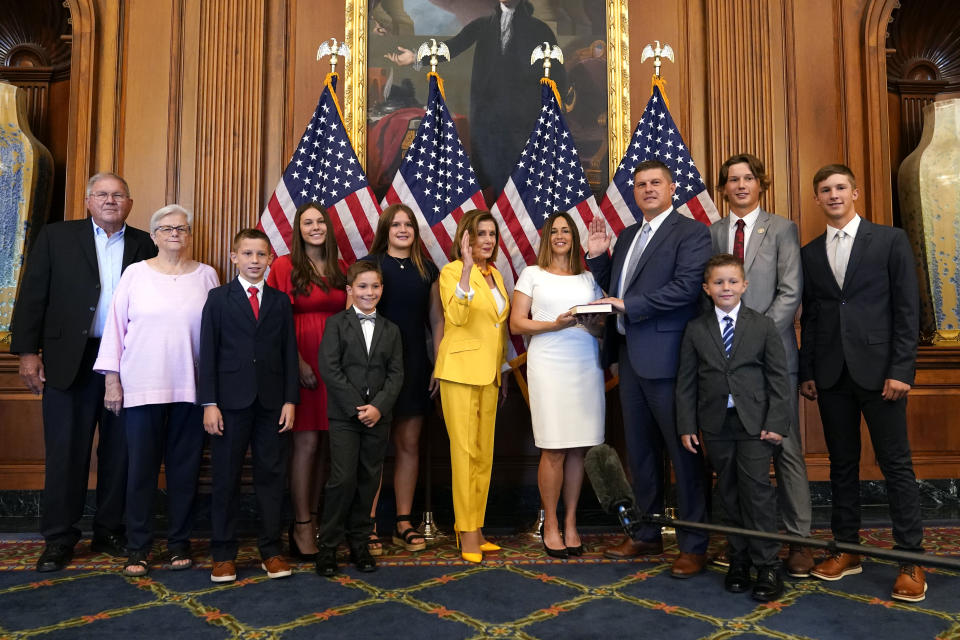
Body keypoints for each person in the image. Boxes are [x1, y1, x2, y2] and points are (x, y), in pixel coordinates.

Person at [10, 172, 157, 572]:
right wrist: (27, 352)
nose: (111, 201)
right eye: (102, 194)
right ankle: (59, 538)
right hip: (67, 360)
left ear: (129, 202)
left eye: (118, 195)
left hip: (127, 364)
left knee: (121, 453)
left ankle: (109, 530)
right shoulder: (56, 237)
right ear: (88, 200)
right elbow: (32, 294)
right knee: (66, 453)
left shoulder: (146, 243)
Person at [799, 164, 926, 602]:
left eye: (840, 188)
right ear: (817, 199)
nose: (833, 195)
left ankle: (911, 559)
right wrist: (808, 371)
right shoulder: (811, 252)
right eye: (825, 190)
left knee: (896, 467)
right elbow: (813, 316)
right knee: (842, 466)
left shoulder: (889, 240)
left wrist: (901, 370)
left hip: (882, 374)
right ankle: (847, 550)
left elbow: (908, 309)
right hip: (832, 375)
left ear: (856, 191)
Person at [586, 159, 713, 577]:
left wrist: (629, 306)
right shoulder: (625, 236)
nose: (648, 189)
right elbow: (617, 290)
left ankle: (694, 543)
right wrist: (599, 258)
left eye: (656, 182)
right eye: (640, 185)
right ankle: (647, 533)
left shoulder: (692, 233)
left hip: (672, 360)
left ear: (672, 188)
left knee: (683, 453)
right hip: (630, 359)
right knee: (640, 453)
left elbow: (686, 288)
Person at [92, 205, 219, 576]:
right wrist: (112, 381)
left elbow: (217, 335)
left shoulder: (208, 276)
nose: (175, 233)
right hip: (141, 387)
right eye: (166, 228)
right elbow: (115, 328)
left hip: (191, 390)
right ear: (153, 236)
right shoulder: (135, 274)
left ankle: (179, 543)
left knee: (185, 470)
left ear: (190, 234)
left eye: (181, 228)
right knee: (140, 471)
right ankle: (139, 547)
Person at [709, 153, 813, 577]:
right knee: (732, 453)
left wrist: (755, 342)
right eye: (732, 179)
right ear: (724, 187)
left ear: (760, 183)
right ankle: (740, 540)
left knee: (785, 448)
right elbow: (713, 292)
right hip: (726, 364)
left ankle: (798, 539)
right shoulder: (713, 232)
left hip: (773, 358)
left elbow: (791, 292)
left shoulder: (783, 229)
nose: (740, 185)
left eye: (747, 178)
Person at [677, 253, 793, 602]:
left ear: (744, 285)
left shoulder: (762, 325)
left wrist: (776, 423)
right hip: (715, 425)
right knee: (727, 492)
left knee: (756, 492)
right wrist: (687, 425)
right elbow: (686, 382)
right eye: (718, 282)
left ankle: (767, 564)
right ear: (707, 289)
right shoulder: (696, 329)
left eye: (732, 281)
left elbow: (778, 378)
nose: (725, 287)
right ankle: (738, 559)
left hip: (755, 425)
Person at [384, 0, 566, 195]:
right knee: (490, 174)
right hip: (488, 116)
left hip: (523, 118)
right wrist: (416, 57)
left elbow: (556, 74)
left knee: (522, 179)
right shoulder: (483, 25)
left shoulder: (539, 30)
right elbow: (452, 46)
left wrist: (552, 111)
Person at [199, 229, 299, 583]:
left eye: (261, 254)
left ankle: (271, 551)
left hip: (272, 404)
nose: (254, 261)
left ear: (271, 258)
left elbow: (289, 354)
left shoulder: (280, 301)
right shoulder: (218, 298)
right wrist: (209, 403)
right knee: (225, 477)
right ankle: (223, 554)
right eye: (247, 254)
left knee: (271, 477)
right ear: (234, 257)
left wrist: (290, 399)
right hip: (229, 403)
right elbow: (207, 354)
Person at [510, 211, 605, 559]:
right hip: (549, 362)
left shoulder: (588, 278)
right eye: (554, 231)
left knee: (579, 447)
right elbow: (517, 324)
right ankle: (549, 523)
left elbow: (599, 327)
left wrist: (594, 323)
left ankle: (571, 522)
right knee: (553, 447)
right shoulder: (531, 274)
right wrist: (556, 324)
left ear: (575, 237)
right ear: (546, 238)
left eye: (566, 231)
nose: (560, 236)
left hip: (585, 363)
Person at [266, 202, 348, 560]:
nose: (315, 227)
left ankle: (314, 520)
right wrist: (297, 362)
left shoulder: (342, 268)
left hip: (336, 363)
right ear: (298, 230)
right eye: (307, 223)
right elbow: (274, 320)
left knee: (328, 445)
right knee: (307, 444)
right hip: (299, 360)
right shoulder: (284, 266)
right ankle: (300, 524)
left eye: (320, 222)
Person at [360, 203, 443, 554]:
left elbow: (436, 320)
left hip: (415, 364)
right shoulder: (370, 265)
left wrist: (438, 363)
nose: (403, 229)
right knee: (374, 448)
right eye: (396, 224)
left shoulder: (427, 268)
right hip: (376, 365)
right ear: (385, 229)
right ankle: (368, 523)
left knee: (409, 444)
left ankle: (403, 522)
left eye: (408, 224)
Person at [315, 261, 404, 576]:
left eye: (375, 286)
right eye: (363, 287)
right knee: (342, 479)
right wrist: (358, 407)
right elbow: (330, 368)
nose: (369, 292)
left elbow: (396, 375)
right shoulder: (336, 324)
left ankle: (360, 543)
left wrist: (378, 407)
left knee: (369, 479)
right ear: (350, 290)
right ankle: (327, 547)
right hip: (345, 417)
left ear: (381, 289)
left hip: (379, 417)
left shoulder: (391, 330)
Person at [434, 210, 510, 563]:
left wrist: (504, 368)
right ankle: (464, 531)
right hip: (460, 373)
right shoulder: (451, 272)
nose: (487, 240)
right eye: (480, 234)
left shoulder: (495, 274)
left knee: (484, 455)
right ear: (466, 238)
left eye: (492, 234)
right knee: (463, 454)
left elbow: (498, 327)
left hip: (491, 375)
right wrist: (465, 268)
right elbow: (458, 317)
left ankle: (477, 528)